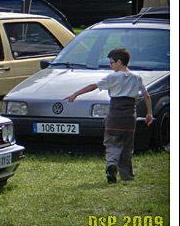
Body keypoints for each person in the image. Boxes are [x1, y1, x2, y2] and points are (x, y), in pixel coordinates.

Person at [64, 48, 153, 184]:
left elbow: (93, 86)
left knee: (112, 144)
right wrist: (149, 113)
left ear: (119, 62)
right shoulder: (137, 78)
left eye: (111, 63)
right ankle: (127, 175)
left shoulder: (112, 77)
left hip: (115, 116)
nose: (110, 66)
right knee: (127, 147)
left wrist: (75, 94)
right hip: (130, 117)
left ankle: (111, 164)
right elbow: (146, 95)